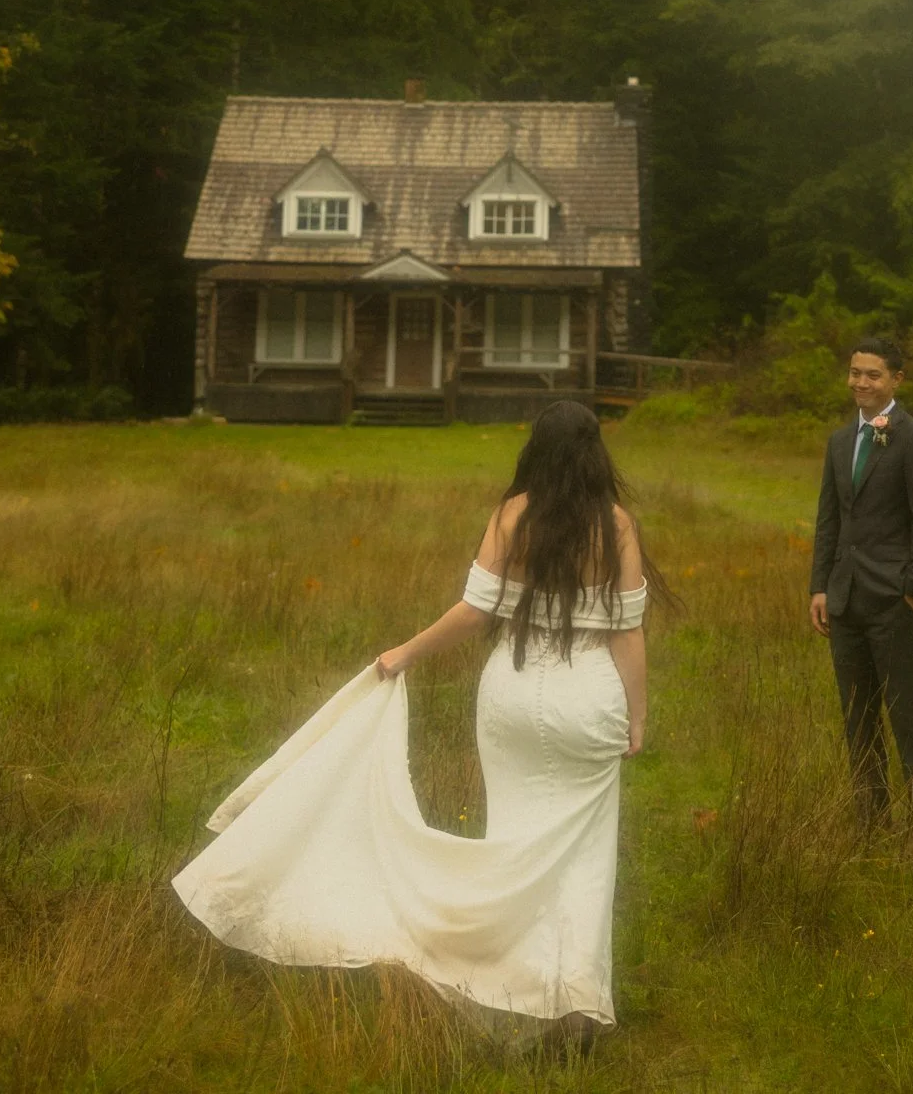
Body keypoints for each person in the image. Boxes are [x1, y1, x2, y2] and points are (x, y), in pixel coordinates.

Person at [172, 400, 663, 1045]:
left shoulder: (512, 515)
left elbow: (475, 612)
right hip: (588, 701)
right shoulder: (617, 525)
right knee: (583, 856)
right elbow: (627, 631)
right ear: (596, 453)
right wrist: (637, 714)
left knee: (512, 842)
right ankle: (572, 1006)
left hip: (513, 697)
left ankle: (513, 996)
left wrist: (402, 653)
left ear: (536, 450)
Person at [809, 338, 913, 846]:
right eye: (855, 373)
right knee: (857, 721)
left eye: (873, 374)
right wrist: (820, 587)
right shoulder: (840, 441)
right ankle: (871, 829)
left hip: (895, 604)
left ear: (895, 380)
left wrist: (912, 592)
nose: (861, 382)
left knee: (907, 718)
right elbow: (830, 520)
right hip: (844, 602)